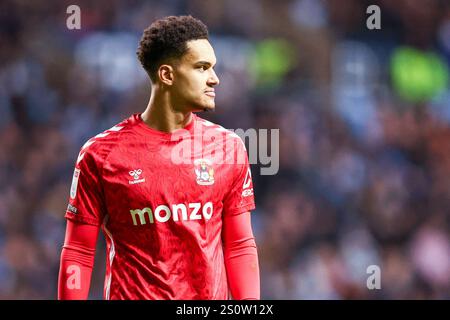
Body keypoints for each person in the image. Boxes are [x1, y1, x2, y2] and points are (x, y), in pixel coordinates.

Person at [57, 15, 260, 300]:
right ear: (167, 75)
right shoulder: (101, 154)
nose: (214, 78)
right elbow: (79, 250)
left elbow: (239, 244)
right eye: (202, 68)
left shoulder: (229, 148)